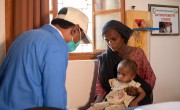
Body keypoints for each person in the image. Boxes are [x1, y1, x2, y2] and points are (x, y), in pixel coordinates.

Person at [0, 7, 89, 110]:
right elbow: (54, 99)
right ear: (75, 29)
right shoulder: (56, 47)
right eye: (81, 37)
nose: (78, 42)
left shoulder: (24, 36)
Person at [94, 20, 156, 104]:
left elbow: (150, 78)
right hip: (114, 100)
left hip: (136, 101)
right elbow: (100, 86)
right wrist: (97, 104)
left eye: (114, 39)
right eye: (107, 40)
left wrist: (137, 91)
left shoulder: (138, 54)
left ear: (123, 37)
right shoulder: (105, 58)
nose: (110, 43)